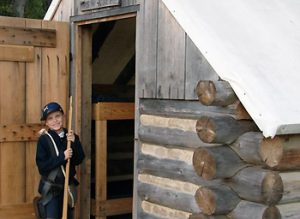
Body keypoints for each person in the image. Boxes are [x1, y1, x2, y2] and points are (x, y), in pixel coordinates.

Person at [35, 102, 85, 219]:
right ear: (46, 122)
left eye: (57, 116)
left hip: (67, 187)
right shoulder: (44, 140)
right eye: (50, 118)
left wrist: (75, 143)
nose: (55, 121)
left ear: (63, 116)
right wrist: (62, 157)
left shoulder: (71, 136)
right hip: (52, 189)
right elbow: (42, 166)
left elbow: (79, 159)